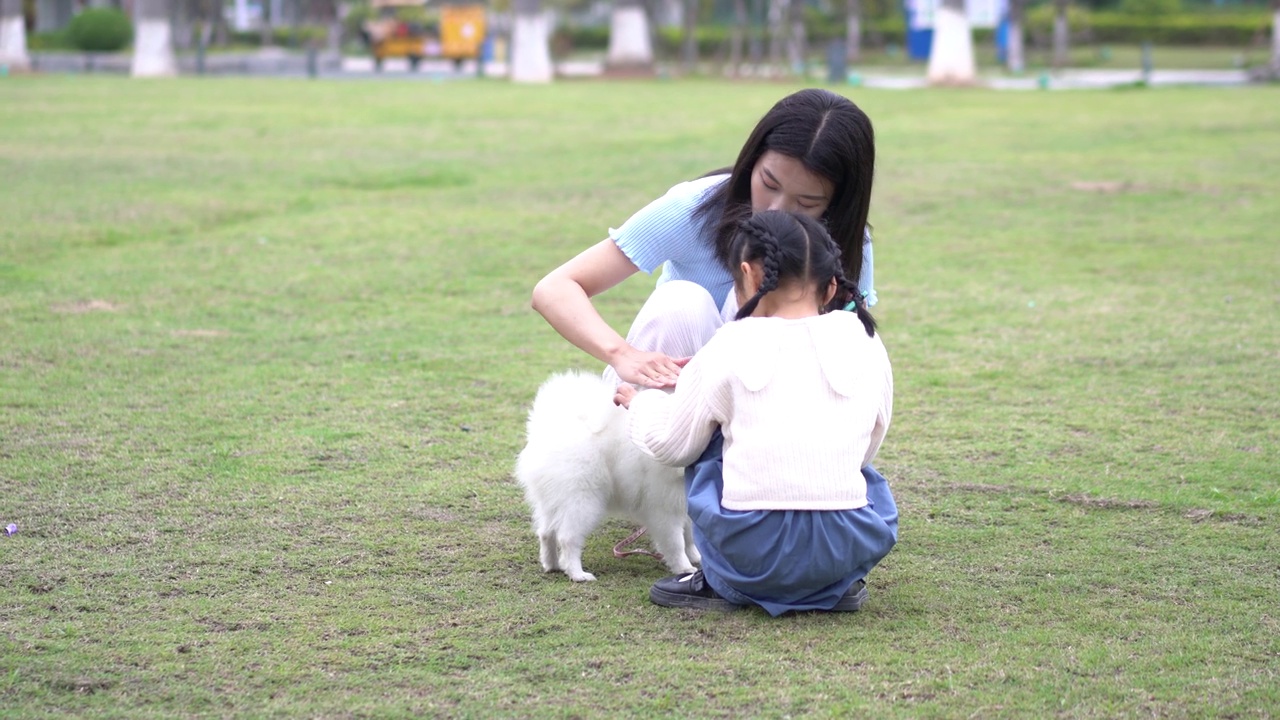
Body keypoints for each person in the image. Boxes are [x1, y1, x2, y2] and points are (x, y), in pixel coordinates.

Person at [614, 211, 895, 615]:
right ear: (832, 284)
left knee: (709, 443)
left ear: (746, 274)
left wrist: (639, 404)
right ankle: (834, 583)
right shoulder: (865, 340)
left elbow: (674, 445)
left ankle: (719, 581)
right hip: (843, 546)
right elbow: (869, 444)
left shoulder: (729, 343)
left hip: (751, 553)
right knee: (863, 472)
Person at [530, 88, 877, 391]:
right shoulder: (694, 208)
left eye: (806, 203)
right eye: (769, 184)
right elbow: (556, 288)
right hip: (664, 402)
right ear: (751, 161)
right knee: (682, 301)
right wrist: (622, 354)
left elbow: (851, 353)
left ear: (838, 204)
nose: (775, 210)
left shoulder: (846, 242)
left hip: (767, 420)